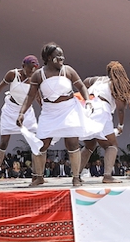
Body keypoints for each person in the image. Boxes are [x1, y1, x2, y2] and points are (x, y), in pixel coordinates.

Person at [17, 43, 93, 187]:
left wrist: (88, 100)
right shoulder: (38, 75)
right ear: (50, 58)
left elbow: (81, 86)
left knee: (72, 143)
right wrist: (21, 113)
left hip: (69, 109)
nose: (62, 59)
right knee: (41, 144)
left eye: (62, 56)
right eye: (59, 56)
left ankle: (76, 177)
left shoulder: (68, 70)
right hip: (49, 112)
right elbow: (30, 96)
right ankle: (39, 177)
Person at [0, 55, 43, 185]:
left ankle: (36, 176)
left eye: (34, 69)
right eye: (30, 68)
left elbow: (38, 97)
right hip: (10, 110)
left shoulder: (36, 78)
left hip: (27, 112)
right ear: (23, 66)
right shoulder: (12, 74)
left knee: (35, 142)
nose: (32, 71)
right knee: (3, 143)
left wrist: (47, 109)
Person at [79, 61, 130, 184]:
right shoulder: (116, 84)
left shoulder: (99, 79)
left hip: (87, 108)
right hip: (101, 110)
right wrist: (120, 125)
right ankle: (107, 176)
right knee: (111, 145)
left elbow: (85, 82)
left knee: (89, 146)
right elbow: (120, 109)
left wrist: (87, 94)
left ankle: (76, 175)